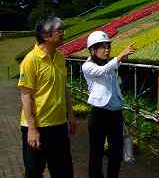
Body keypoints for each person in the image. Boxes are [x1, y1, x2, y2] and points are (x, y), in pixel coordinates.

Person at [18, 17, 75, 178]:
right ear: (45, 35)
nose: (63, 33)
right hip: (38, 127)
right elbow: (26, 95)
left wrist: (70, 115)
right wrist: (32, 128)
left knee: (64, 172)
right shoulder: (30, 60)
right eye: (59, 31)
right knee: (34, 172)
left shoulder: (60, 57)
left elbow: (63, 88)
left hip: (59, 126)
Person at [82, 31, 135, 178]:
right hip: (99, 114)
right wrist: (119, 57)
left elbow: (112, 70)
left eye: (108, 47)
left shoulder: (110, 64)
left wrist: (120, 59)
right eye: (103, 47)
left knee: (116, 153)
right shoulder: (88, 66)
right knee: (96, 153)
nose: (107, 50)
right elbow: (101, 71)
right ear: (92, 50)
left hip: (115, 113)